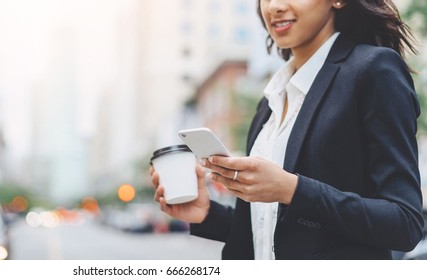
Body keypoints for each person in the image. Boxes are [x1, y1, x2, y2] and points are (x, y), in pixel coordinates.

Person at [150, 0, 424, 259]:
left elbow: (404, 222)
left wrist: (292, 190)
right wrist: (207, 213)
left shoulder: (374, 70)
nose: (275, 7)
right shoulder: (269, 102)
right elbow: (273, 234)